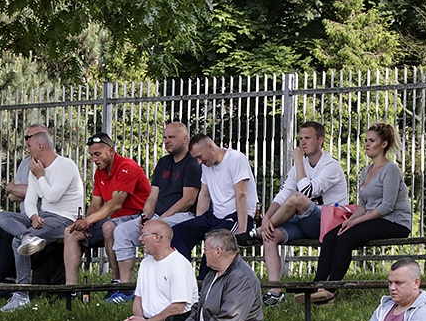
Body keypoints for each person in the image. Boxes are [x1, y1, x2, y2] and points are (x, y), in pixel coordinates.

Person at [237, 121, 347, 306]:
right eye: (300, 138)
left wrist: (297, 161)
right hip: (303, 221)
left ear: (320, 140)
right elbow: (284, 193)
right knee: (270, 235)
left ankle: (257, 232)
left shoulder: (331, 166)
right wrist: (266, 218)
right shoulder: (301, 164)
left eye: (308, 138)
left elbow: (307, 192)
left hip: (326, 223)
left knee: (298, 199)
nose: (302, 143)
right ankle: (275, 290)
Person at [312, 123, 412, 304]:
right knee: (331, 236)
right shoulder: (366, 170)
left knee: (346, 239)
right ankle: (315, 287)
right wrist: (349, 220)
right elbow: (363, 205)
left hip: (395, 221)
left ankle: (330, 291)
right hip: (373, 218)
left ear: (383, 144)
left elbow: (386, 207)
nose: (366, 144)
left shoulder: (391, 170)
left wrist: (356, 223)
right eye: (365, 140)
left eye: (371, 141)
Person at [106, 121, 201, 301]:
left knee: (155, 230)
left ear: (185, 138)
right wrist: (145, 216)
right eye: (165, 137)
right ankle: (126, 290)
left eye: (171, 137)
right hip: (158, 216)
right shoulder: (163, 162)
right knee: (122, 231)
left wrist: (159, 220)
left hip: (183, 216)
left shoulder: (192, 164)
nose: (167, 141)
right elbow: (153, 195)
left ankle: (165, 286)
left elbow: (188, 200)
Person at [150, 230, 263, 321]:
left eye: (205, 250)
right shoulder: (212, 274)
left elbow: (231, 319)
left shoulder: (242, 277)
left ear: (218, 251)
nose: (204, 254)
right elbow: (197, 309)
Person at [0, 131, 84, 312]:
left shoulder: (66, 165)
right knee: (1, 216)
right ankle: (25, 235)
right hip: (43, 216)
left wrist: (41, 175)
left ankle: (21, 294)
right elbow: (30, 200)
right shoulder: (36, 168)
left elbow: (52, 196)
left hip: (64, 219)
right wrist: (33, 216)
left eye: (29, 146)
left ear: (40, 147)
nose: (27, 150)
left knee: (16, 242)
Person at [101, 220, 198, 321]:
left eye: (143, 235)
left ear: (158, 237)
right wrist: (137, 320)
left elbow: (178, 308)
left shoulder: (179, 264)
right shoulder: (146, 263)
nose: (139, 239)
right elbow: (138, 298)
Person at [63, 132, 150, 288]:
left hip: (137, 217)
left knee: (108, 227)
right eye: (92, 155)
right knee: (70, 232)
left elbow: (115, 204)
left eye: (97, 154)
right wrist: (85, 224)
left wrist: (88, 220)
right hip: (112, 218)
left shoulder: (127, 167)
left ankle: (117, 282)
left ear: (111, 151)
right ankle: (70, 289)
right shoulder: (99, 172)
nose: (94, 159)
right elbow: (96, 204)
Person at [0, 124, 49, 302]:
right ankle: (7, 278)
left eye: (32, 138)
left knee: (11, 234)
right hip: (24, 215)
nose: (28, 142)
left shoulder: (51, 162)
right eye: (26, 138)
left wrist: (17, 188)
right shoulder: (25, 163)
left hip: (41, 217)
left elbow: (41, 192)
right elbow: (11, 197)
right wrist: (16, 189)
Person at [170, 135, 257, 278]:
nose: (199, 162)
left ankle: (204, 284)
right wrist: (197, 223)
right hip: (216, 216)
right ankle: (184, 278)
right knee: (177, 233)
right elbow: (204, 195)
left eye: (199, 156)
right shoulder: (207, 165)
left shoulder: (235, 159)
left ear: (210, 146)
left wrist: (242, 229)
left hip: (238, 216)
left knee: (213, 240)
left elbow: (241, 194)